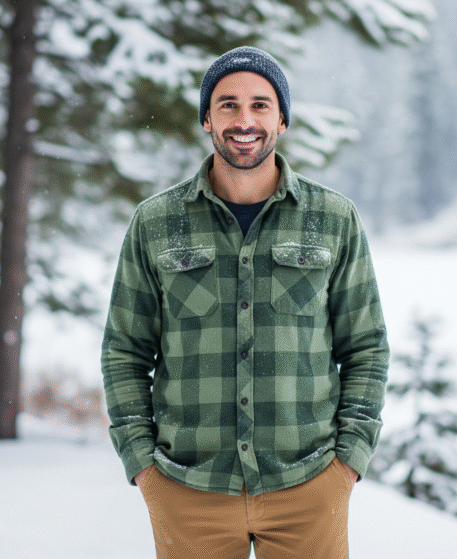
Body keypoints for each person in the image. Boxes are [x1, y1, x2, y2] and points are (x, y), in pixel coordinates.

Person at [101, 45, 389, 559]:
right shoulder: (156, 222)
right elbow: (124, 351)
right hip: (188, 487)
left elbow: (366, 347)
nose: (244, 120)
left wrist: (348, 460)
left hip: (308, 484)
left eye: (260, 105)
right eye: (228, 105)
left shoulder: (333, 218)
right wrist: (142, 463)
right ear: (207, 119)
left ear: (282, 120)